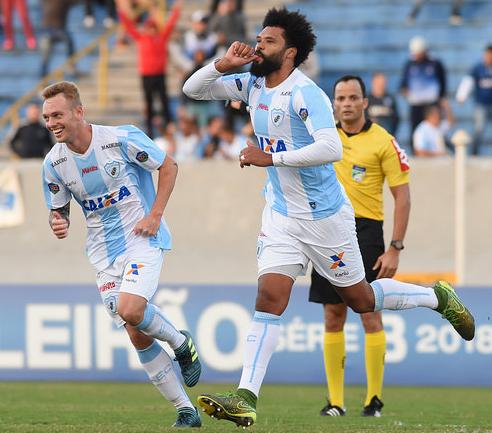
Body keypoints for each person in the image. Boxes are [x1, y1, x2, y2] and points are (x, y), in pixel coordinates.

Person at [183, 7, 475, 428]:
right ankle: (246, 397)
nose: (258, 44)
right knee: (269, 297)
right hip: (281, 216)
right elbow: (193, 89)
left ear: (289, 52)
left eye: (268, 41)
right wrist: (221, 65)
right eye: (259, 38)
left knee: (361, 299)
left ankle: (437, 297)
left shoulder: (307, 94)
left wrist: (272, 157)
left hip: (325, 219)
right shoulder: (250, 83)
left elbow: (330, 147)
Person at [40, 81, 202, 428]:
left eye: (57, 114)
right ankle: (185, 410)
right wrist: (58, 221)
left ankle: (179, 342)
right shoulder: (53, 164)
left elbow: (169, 165)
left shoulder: (120, 139)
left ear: (78, 112)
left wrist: (155, 214)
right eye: (46, 116)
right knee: (135, 331)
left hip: (141, 239)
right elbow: (60, 210)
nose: (51, 122)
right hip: (102, 255)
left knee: (131, 309)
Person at [309, 75, 410, 418]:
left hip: (366, 232)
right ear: (333, 103)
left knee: (369, 313)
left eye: (354, 97)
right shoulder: (323, 138)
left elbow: (402, 195)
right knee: (332, 314)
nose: (347, 103)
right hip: (326, 230)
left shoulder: (384, 141)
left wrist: (395, 247)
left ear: (365, 102)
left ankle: (374, 400)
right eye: (341, 98)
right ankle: (335, 402)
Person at [117, 0, 182, 138]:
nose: (151, 30)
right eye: (149, 28)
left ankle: (169, 126)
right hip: (147, 76)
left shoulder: (161, 38)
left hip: (159, 74)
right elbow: (129, 26)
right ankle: (150, 132)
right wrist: (121, 11)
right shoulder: (141, 38)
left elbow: (170, 24)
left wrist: (176, 10)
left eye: (153, 28)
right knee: (149, 103)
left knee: (164, 102)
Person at [400, 36, 449, 153]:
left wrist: (441, 100)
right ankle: (416, 155)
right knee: (415, 131)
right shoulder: (409, 64)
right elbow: (403, 84)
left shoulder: (435, 63)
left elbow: (443, 83)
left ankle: (437, 152)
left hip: (431, 104)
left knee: (436, 130)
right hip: (416, 105)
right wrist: (406, 92)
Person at [456, 44, 492, 156]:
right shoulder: (478, 69)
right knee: (478, 130)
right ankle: (474, 153)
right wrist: (461, 96)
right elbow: (468, 81)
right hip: (481, 105)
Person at [367, 71, 400, 136]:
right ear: (373, 82)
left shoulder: (390, 99)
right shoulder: (366, 100)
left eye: (383, 83)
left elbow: (396, 118)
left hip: (386, 136)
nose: (381, 85)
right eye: (379, 83)